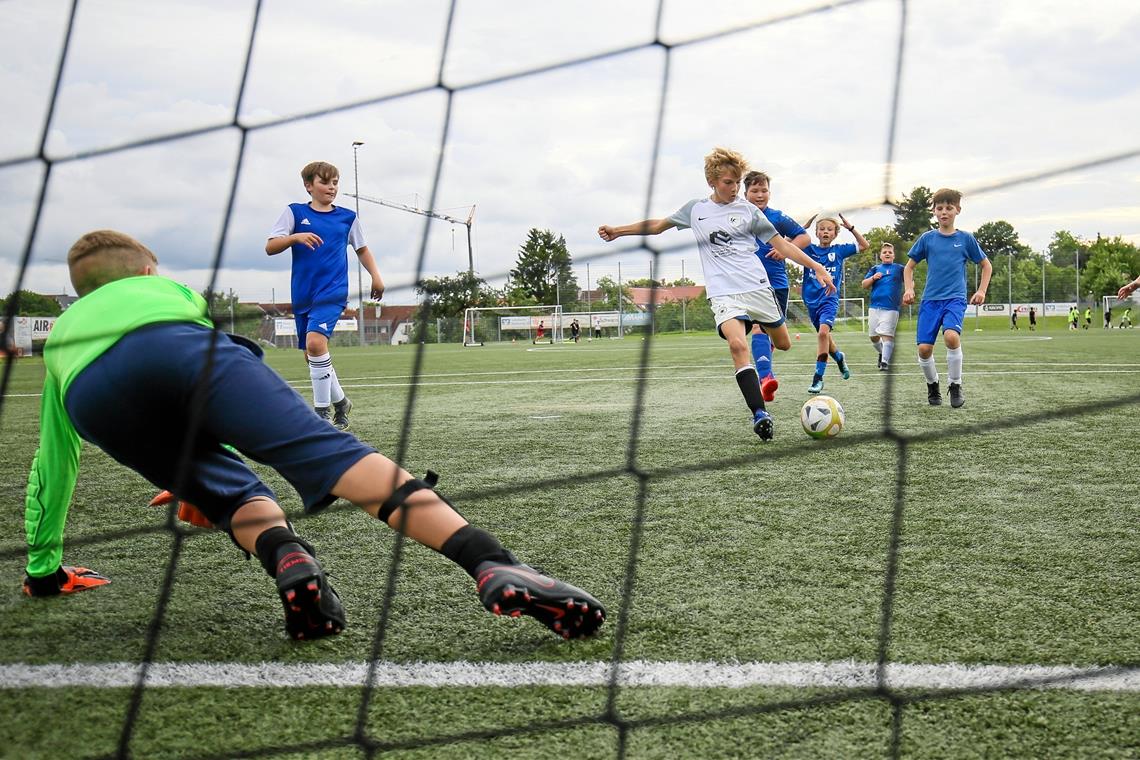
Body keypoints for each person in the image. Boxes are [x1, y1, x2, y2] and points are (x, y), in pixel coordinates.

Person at [21, 230, 606, 644]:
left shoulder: (63, 341)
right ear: (148, 272)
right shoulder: (166, 294)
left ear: (79, 291)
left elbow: (53, 466)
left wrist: (46, 570)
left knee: (230, 495)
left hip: (93, 396)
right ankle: (492, 564)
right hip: (182, 349)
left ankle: (290, 560)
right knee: (336, 457)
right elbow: (181, 369)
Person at [598, 147, 835, 440]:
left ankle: (768, 362)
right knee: (738, 346)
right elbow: (659, 226)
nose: (734, 188)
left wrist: (817, 267)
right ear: (712, 181)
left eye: (737, 182)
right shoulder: (696, 210)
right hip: (724, 294)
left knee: (783, 343)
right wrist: (619, 231)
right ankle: (760, 414)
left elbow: (783, 245)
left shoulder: (748, 210)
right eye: (728, 182)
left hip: (758, 287)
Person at [266, 161, 384, 431]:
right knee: (312, 354)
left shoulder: (347, 217)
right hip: (303, 293)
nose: (331, 187)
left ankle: (321, 415)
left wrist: (375, 276)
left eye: (335, 182)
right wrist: (295, 238)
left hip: (332, 291)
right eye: (325, 182)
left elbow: (362, 249)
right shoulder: (293, 212)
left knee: (316, 345)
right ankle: (341, 402)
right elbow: (270, 246)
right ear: (309, 186)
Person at [902, 188, 992, 408]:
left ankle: (955, 385)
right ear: (934, 211)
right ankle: (933, 385)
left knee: (951, 337)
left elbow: (986, 265)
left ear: (957, 210)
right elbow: (908, 267)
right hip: (930, 301)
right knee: (924, 349)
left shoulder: (965, 239)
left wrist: (981, 290)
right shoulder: (927, 239)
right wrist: (908, 289)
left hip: (955, 299)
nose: (944, 212)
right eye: (940, 208)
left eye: (949, 208)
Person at [742, 171, 810, 401]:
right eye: (754, 191)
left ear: (769, 193)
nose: (760, 195)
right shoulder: (738, 216)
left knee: (772, 336)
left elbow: (804, 237)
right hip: (747, 284)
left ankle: (764, 371)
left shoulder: (777, 217)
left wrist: (784, 248)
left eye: (764, 191)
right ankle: (766, 378)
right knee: (759, 329)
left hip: (777, 284)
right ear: (745, 193)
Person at [799, 213, 868, 392]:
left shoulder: (839, 250)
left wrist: (851, 228)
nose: (825, 232)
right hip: (811, 301)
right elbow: (789, 244)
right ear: (816, 232)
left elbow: (864, 245)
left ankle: (817, 379)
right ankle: (838, 357)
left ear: (836, 233)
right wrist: (803, 227)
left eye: (829, 229)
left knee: (822, 334)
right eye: (822, 229)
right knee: (825, 337)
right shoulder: (808, 249)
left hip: (829, 299)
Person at [861, 242, 904, 370]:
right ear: (880, 255)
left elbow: (909, 276)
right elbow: (864, 284)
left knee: (887, 335)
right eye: (884, 252)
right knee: (873, 337)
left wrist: (909, 290)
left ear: (893, 256)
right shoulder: (875, 269)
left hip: (891, 308)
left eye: (890, 252)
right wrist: (873, 278)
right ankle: (881, 353)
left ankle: (885, 362)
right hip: (874, 307)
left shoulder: (899, 268)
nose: (887, 254)